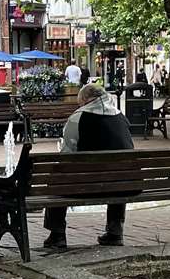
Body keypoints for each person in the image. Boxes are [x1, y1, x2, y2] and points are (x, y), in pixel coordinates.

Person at [42, 82, 134, 252]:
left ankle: (57, 234)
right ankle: (115, 231)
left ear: (85, 99)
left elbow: (67, 156)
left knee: (56, 180)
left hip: (87, 185)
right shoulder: (121, 117)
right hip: (125, 185)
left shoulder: (78, 117)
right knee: (117, 173)